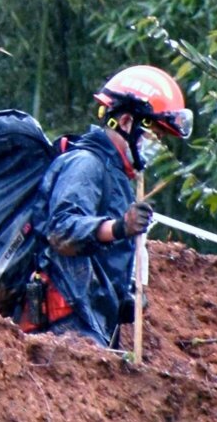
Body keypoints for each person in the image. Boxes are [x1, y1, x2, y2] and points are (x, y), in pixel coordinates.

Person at [22, 65, 193, 348]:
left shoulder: (116, 176)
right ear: (126, 123)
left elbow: (103, 260)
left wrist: (125, 296)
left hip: (89, 322)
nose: (156, 145)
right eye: (153, 135)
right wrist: (118, 227)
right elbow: (62, 229)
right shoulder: (86, 164)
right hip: (65, 323)